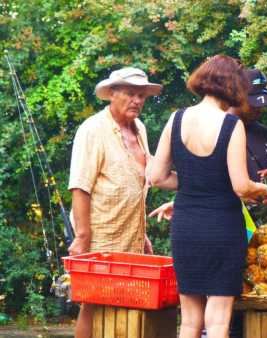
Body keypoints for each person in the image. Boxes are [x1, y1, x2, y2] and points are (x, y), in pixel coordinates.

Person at [150, 55, 267, 338]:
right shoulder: (232, 126)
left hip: (186, 226)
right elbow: (241, 186)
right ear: (234, 87)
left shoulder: (176, 118)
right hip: (222, 226)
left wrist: (196, 182)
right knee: (218, 320)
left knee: (189, 321)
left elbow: (157, 177)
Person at [68, 67, 162, 338]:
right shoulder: (93, 129)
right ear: (111, 94)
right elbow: (80, 185)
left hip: (130, 234)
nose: (137, 100)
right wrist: (82, 236)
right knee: (93, 304)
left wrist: (141, 233)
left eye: (142, 95)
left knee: (125, 306)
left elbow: (139, 181)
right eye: (131, 94)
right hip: (101, 232)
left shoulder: (140, 128)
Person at [229, 68, 267, 195]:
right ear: (237, 96)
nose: (259, 108)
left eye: (262, 103)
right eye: (254, 103)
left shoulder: (265, 133)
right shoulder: (216, 130)